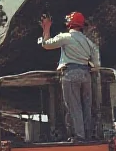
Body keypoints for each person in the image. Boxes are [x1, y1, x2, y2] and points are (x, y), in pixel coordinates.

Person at [39, 11, 101, 141]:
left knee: (74, 106)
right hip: (86, 75)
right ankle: (87, 136)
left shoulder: (66, 37)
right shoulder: (88, 42)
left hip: (70, 73)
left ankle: (79, 136)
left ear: (69, 23)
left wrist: (46, 27)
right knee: (86, 107)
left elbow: (47, 44)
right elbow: (96, 64)